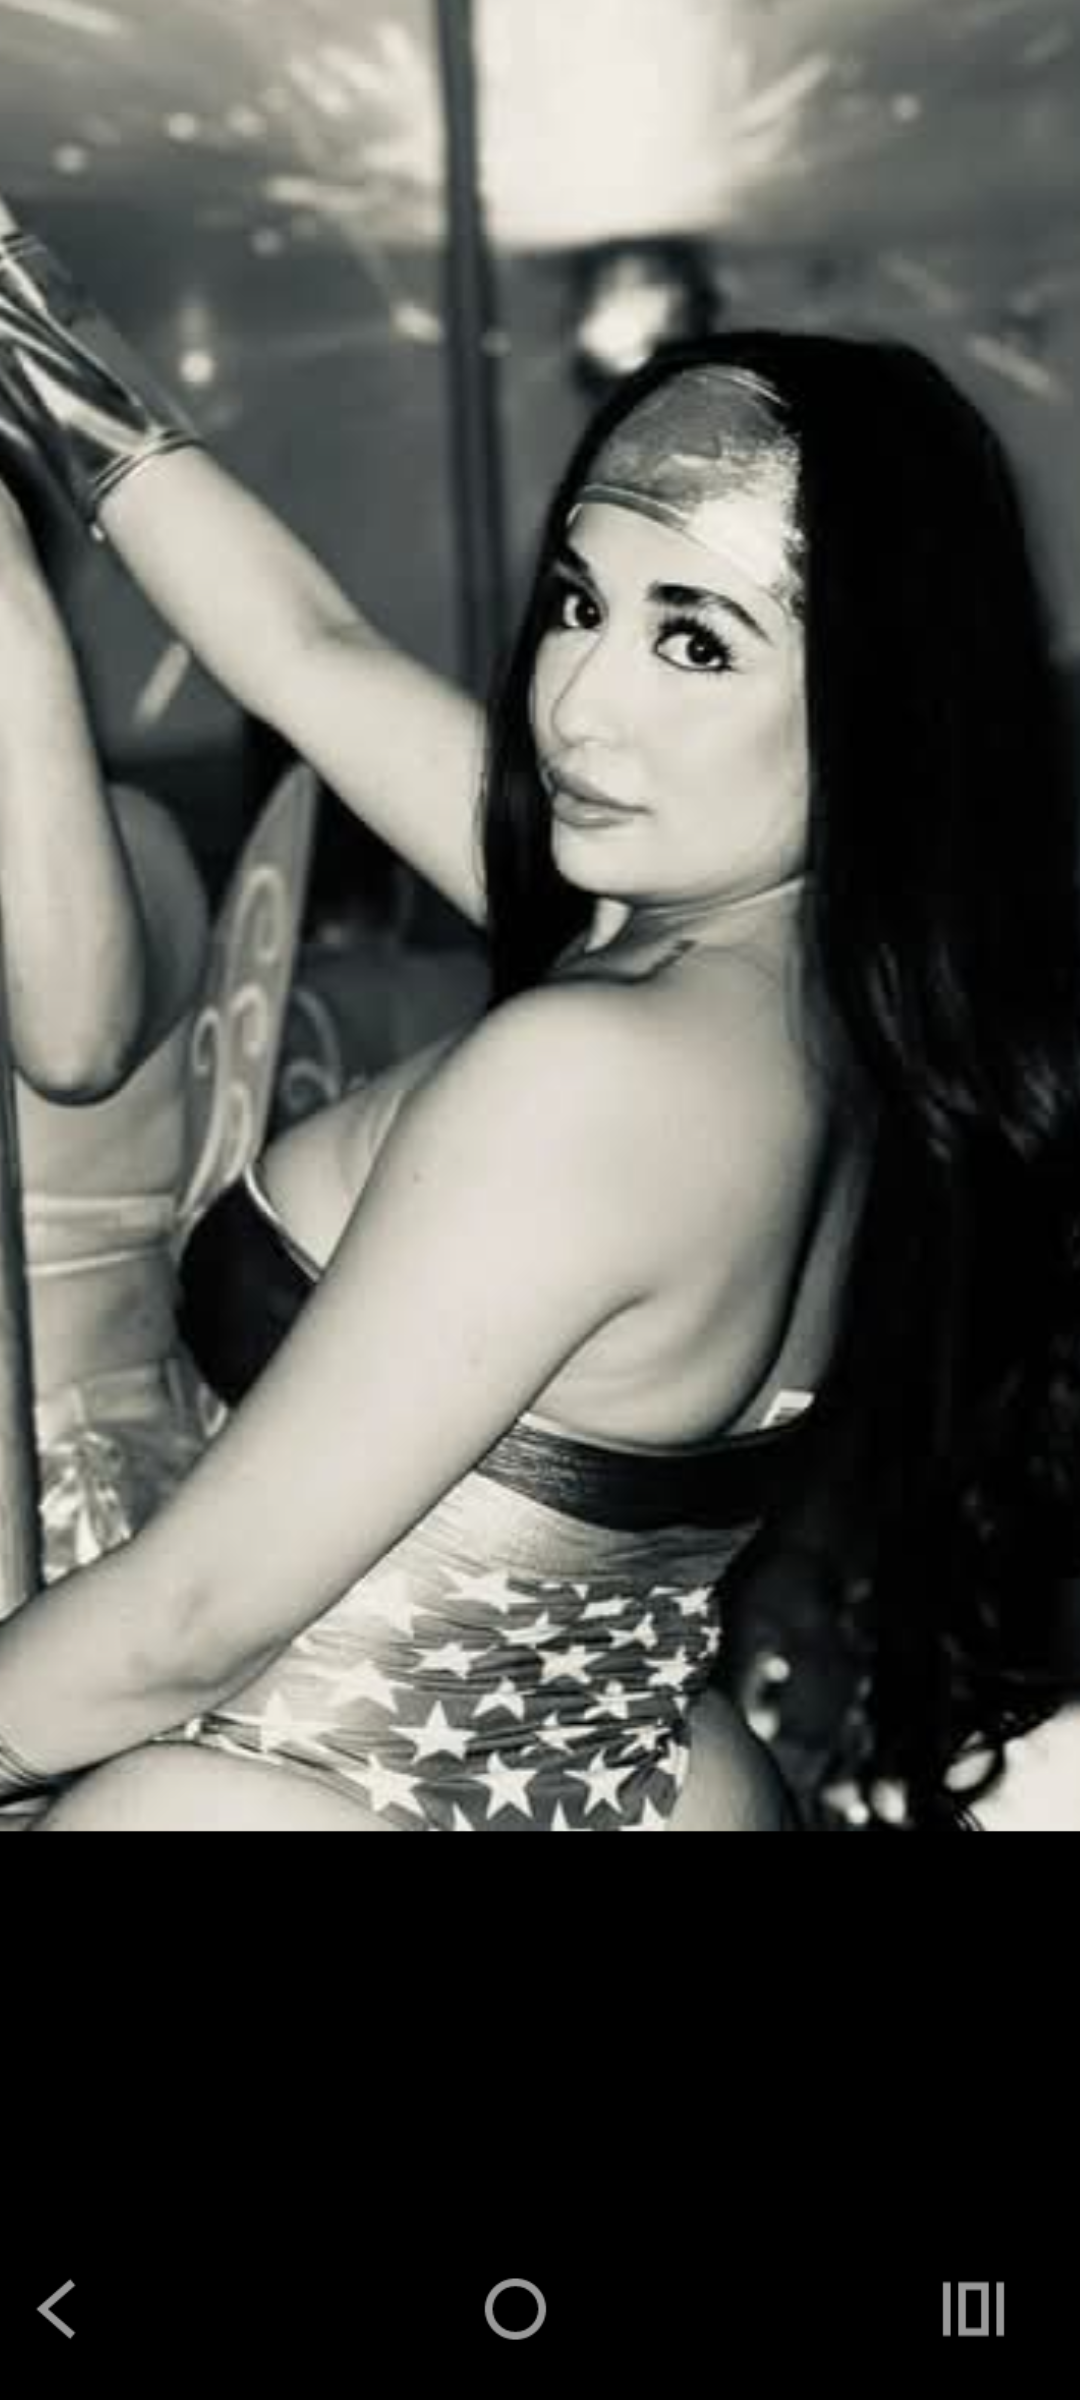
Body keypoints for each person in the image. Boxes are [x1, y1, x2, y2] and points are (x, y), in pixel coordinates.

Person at [0, 209, 1077, 1833]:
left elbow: (185, 1627)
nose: (578, 707)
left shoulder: (596, 1074)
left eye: (695, 641)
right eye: (581, 601)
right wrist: (21, 300)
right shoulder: (816, 999)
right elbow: (309, 646)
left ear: (879, 706)